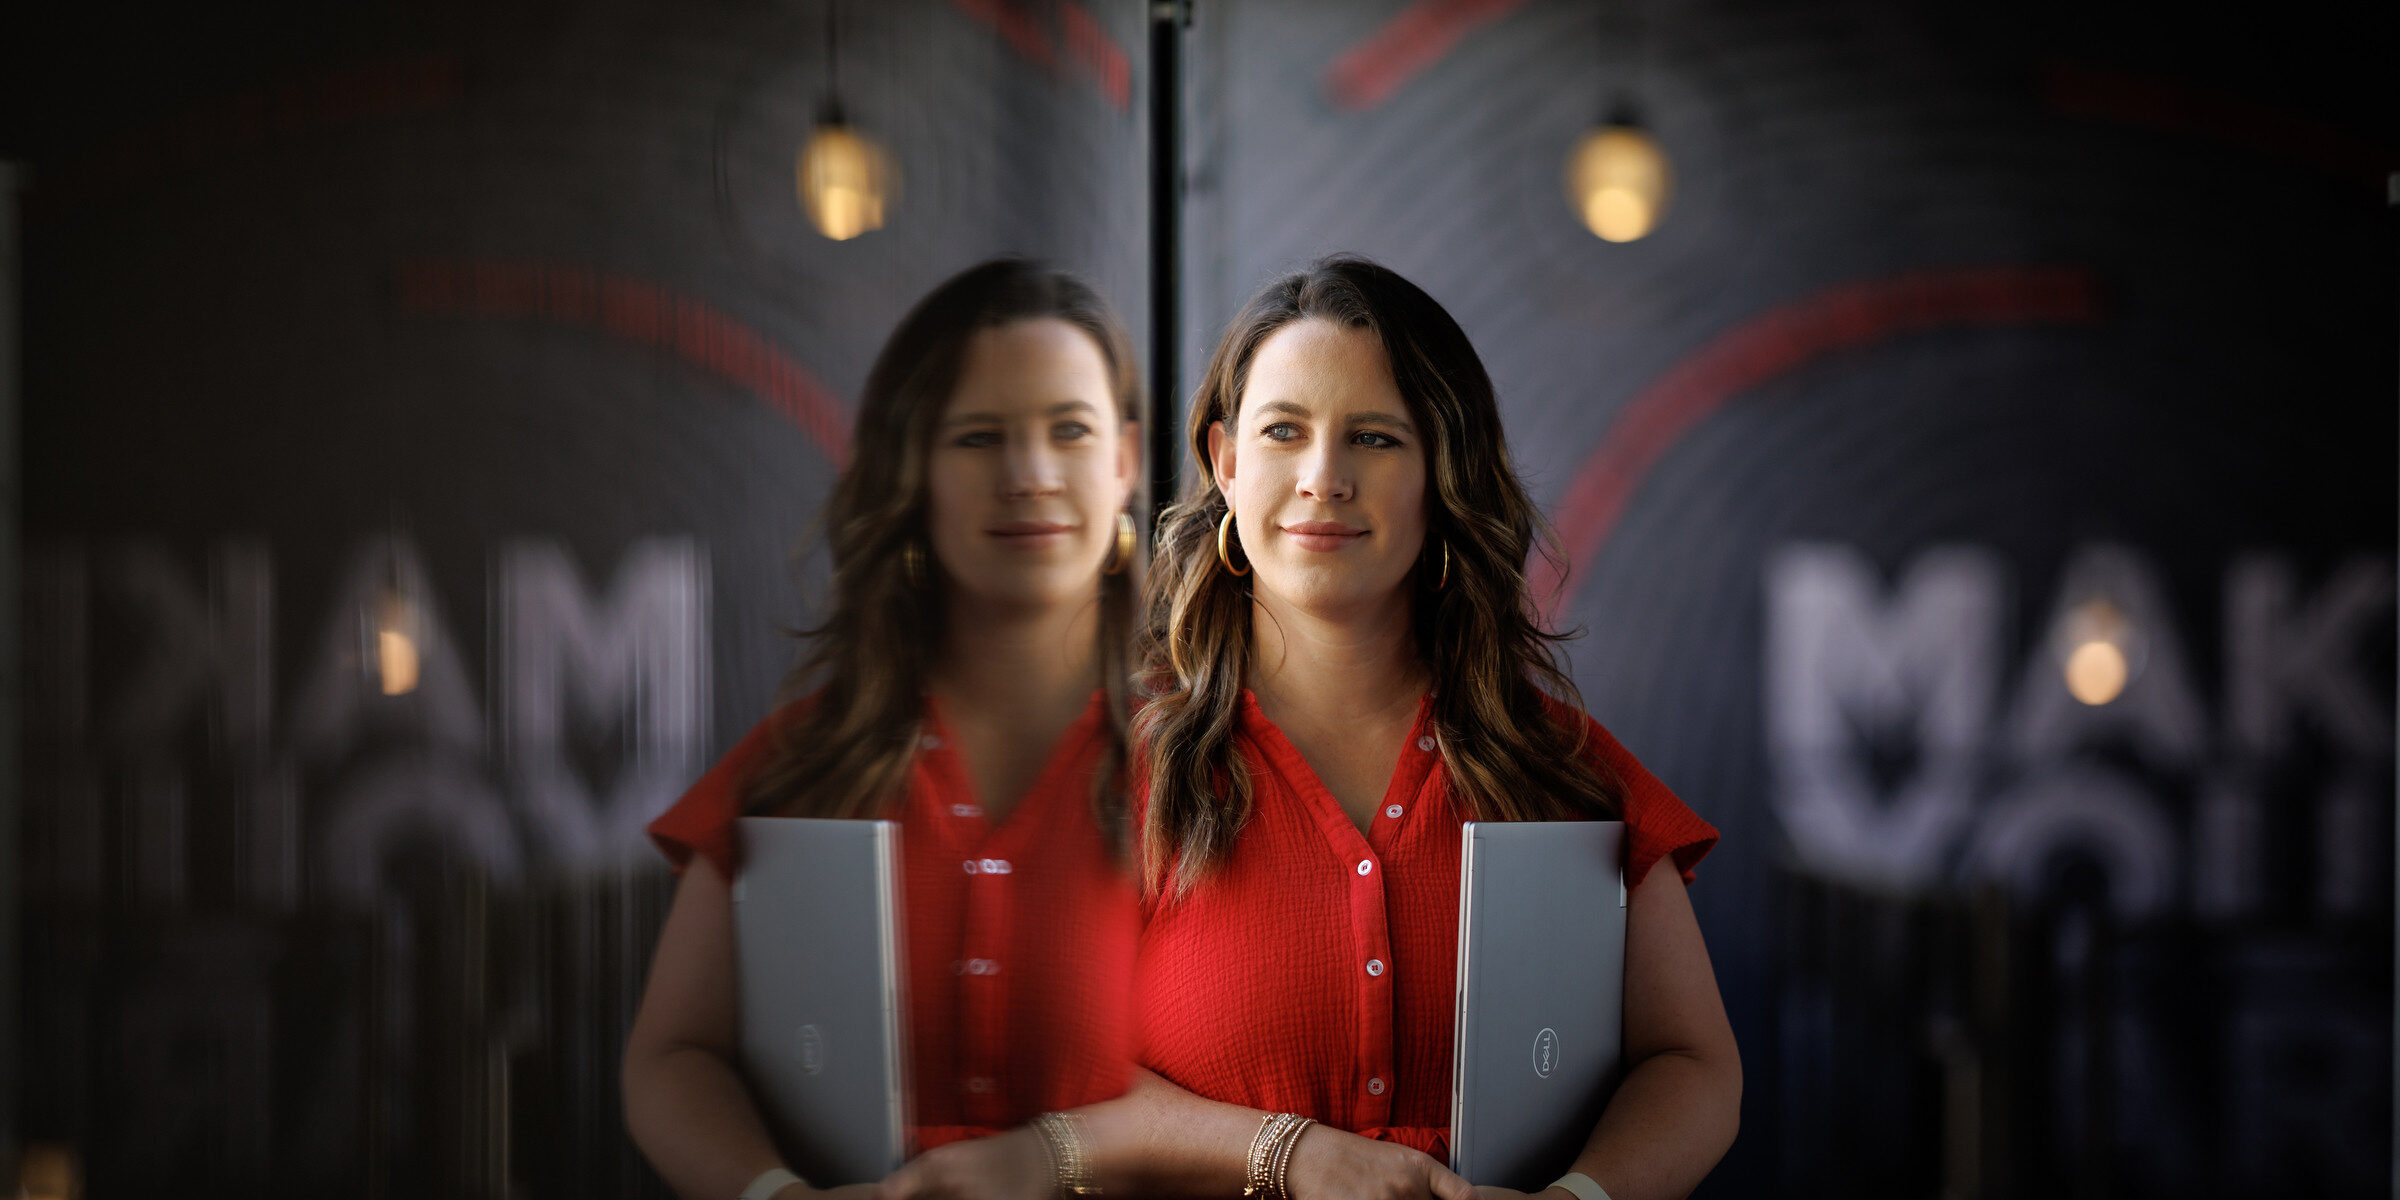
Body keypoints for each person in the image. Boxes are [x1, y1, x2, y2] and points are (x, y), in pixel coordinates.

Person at [1117, 255, 1739, 1200]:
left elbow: (1692, 1066)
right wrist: (1291, 1157)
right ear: (1226, 464)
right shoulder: (1116, 774)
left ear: (1443, 475)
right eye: (1284, 431)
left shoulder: (1564, 773)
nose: (1324, 478)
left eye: (1374, 438)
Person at [621, 259, 1146, 1200]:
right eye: (979, 438)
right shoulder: (798, 764)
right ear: (913, 474)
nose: (1028, 476)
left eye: (1068, 430)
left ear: (1124, 464)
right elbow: (673, 1058)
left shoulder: (1211, 763)